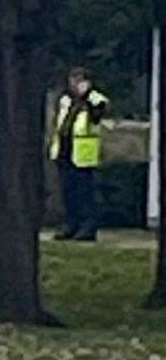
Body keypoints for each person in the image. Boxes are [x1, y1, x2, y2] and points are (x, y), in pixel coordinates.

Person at [50, 67, 108, 242]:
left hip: (83, 155)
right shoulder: (66, 100)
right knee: (69, 194)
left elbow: (98, 114)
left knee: (85, 194)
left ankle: (87, 228)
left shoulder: (96, 100)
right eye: (72, 79)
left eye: (79, 80)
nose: (74, 83)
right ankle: (71, 225)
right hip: (65, 153)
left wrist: (87, 95)